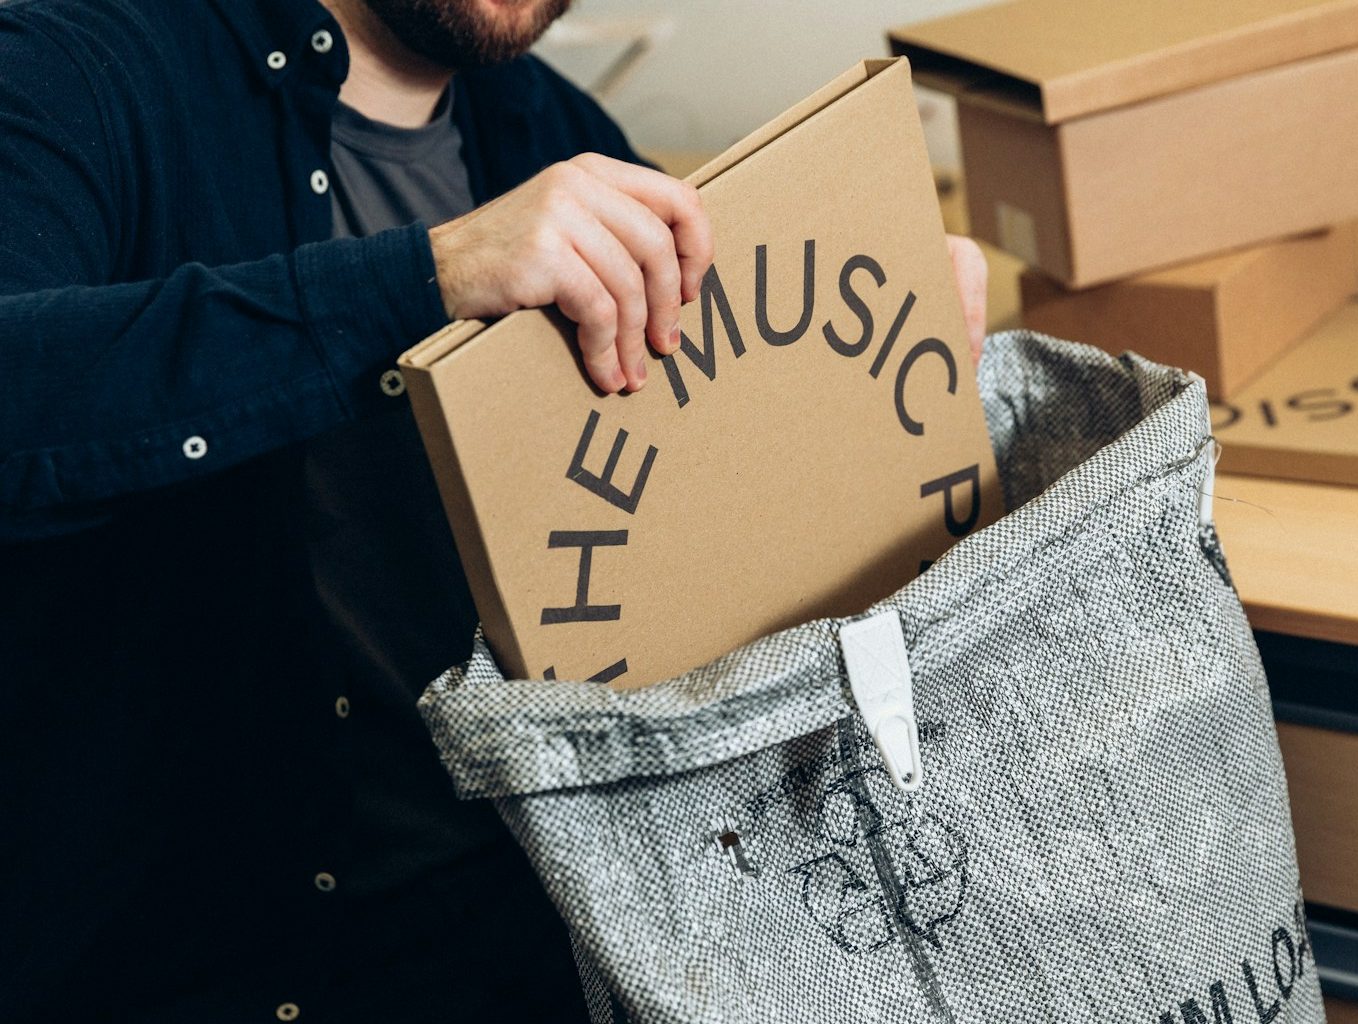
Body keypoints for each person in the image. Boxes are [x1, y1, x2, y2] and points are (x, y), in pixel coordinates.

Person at [0, 0, 989, 1019]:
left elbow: (696, 503)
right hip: (201, 959)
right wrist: (426, 278)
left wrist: (894, 337)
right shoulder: (82, 64)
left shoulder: (555, 134)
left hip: (517, 927)